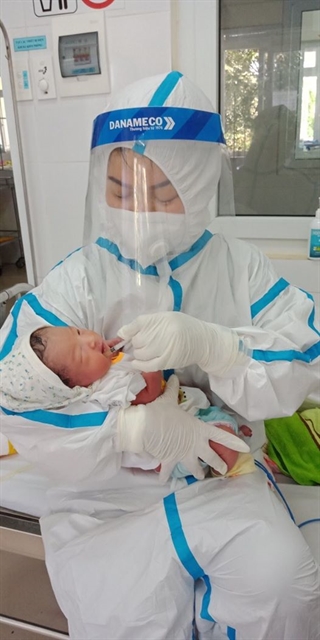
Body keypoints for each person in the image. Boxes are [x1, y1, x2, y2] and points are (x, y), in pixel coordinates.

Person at [0, 71, 319, 640]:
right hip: (103, 496)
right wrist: (127, 430)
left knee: (283, 584)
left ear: (199, 183)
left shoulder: (239, 268)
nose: (137, 209)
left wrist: (216, 345)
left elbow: (305, 356)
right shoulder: (77, 280)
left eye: (162, 191)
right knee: (122, 616)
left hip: (224, 476)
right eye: (120, 191)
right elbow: (15, 392)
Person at [0, 325, 254, 479]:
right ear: (76, 388)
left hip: (184, 412)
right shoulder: (105, 390)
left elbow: (114, 361)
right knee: (221, 444)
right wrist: (151, 368)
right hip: (170, 450)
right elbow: (148, 396)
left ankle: (231, 430)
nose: (89, 340)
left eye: (76, 332)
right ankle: (230, 469)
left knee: (219, 421)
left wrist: (109, 354)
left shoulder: (100, 370)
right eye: (81, 353)